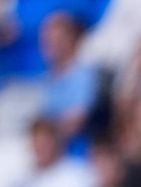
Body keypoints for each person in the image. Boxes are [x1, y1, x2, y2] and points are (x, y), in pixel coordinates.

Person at [37, 11, 98, 142]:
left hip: (78, 154)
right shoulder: (47, 79)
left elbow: (76, 122)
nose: (49, 45)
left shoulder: (85, 75)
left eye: (55, 40)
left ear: (71, 39)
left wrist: (46, 130)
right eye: (46, 40)